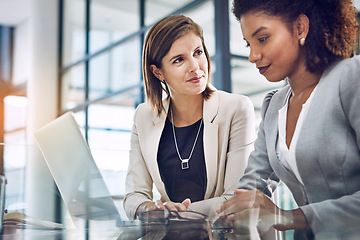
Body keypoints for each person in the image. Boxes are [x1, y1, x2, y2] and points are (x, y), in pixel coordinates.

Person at [216, 0, 360, 239]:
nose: (253, 56)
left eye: (262, 39)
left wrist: (290, 217)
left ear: (300, 28)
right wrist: (214, 215)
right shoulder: (274, 105)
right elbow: (250, 185)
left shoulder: (351, 77)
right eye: (248, 44)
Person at [123, 15, 256, 221]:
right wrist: (150, 209)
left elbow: (234, 199)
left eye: (198, 52)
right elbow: (134, 196)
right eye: (179, 60)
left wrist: (175, 215)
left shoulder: (236, 108)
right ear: (158, 72)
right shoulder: (144, 116)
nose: (195, 66)